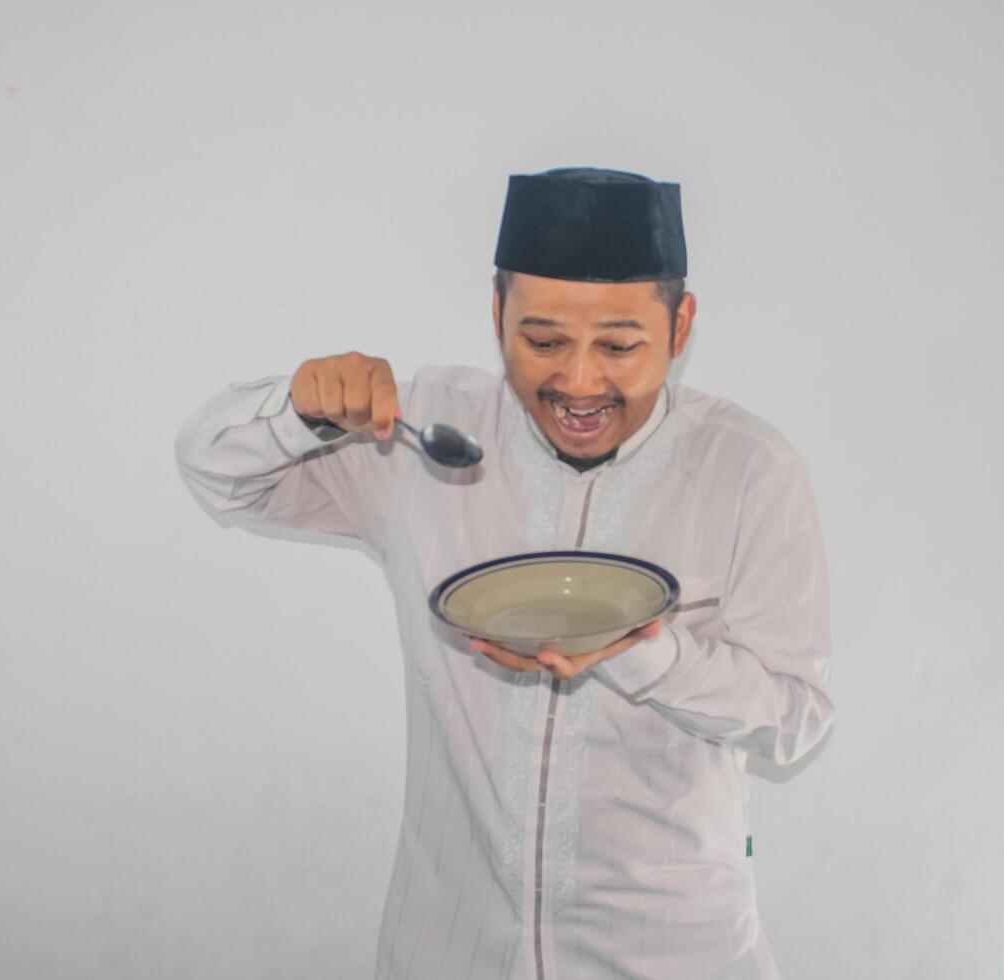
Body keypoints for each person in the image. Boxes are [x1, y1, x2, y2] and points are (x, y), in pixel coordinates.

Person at [174, 166, 834, 980]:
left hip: (672, 954)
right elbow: (217, 470)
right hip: (449, 949)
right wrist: (299, 409)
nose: (581, 382)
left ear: (681, 324)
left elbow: (796, 717)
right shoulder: (418, 437)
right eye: (544, 340)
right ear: (496, 315)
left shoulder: (748, 468)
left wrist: (636, 649)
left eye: (621, 345)